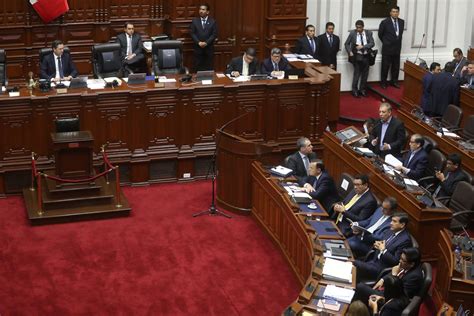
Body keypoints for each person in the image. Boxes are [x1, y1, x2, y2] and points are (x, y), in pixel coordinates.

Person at [353, 212, 412, 281]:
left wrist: (383, 250)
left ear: (402, 225)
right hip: (373, 260)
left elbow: (396, 261)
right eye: (392, 220)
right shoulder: (390, 231)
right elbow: (381, 243)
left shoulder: (405, 240)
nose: (391, 223)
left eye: (394, 221)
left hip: (382, 268)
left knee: (353, 262)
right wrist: (377, 245)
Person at [354, 247, 423, 304]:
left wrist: (394, 276)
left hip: (389, 299)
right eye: (400, 258)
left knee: (360, 287)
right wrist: (383, 279)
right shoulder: (406, 266)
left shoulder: (414, 277)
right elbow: (392, 272)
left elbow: (399, 296)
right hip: (385, 290)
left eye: (403, 260)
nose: (399, 261)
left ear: (412, 264)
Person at [345, 20, 375, 98]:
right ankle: (354, 90)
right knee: (357, 75)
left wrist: (363, 46)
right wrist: (349, 52)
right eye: (357, 27)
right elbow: (346, 43)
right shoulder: (352, 33)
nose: (358, 29)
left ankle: (362, 90)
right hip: (357, 56)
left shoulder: (368, 33)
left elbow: (372, 43)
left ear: (363, 27)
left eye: (360, 27)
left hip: (366, 56)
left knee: (365, 75)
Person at [378, 6, 405, 89]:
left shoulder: (401, 22)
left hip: (397, 48)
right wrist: (386, 42)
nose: (395, 13)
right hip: (387, 48)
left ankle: (394, 81)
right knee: (385, 66)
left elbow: (400, 34)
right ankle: (383, 82)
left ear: (398, 13)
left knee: (396, 66)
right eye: (393, 11)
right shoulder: (384, 22)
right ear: (390, 13)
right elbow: (380, 34)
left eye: (396, 12)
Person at [190, 3, 218, 72]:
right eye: (200, 9)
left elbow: (214, 34)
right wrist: (198, 42)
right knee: (197, 68)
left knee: (208, 68)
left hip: (208, 49)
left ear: (207, 12)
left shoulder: (213, 21)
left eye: (203, 9)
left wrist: (206, 43)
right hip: (198, 49)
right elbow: (192, 33)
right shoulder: (195, 21)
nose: (201, 11)